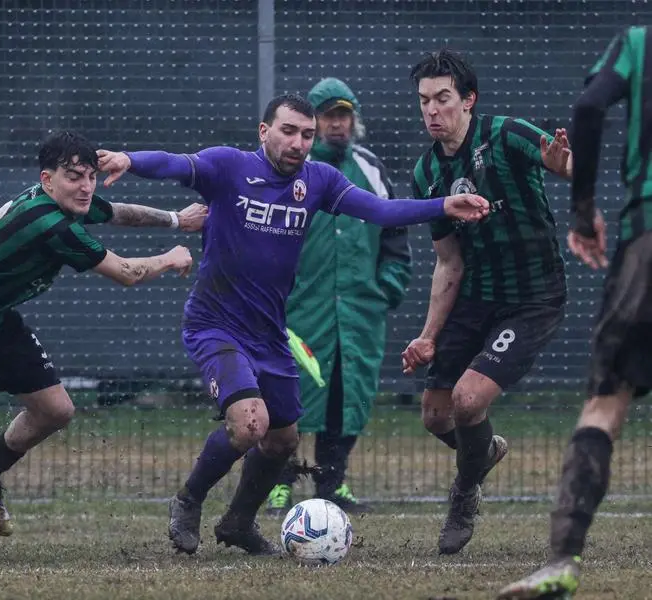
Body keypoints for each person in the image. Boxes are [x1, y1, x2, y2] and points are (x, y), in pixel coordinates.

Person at [97, 92, 490, 556]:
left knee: (283, 439)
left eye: (307, 134)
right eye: (288, 131)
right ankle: (188, 501)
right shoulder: (229, 167)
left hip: (269, 332)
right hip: (215, 324)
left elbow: (380, 211)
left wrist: (443, 205)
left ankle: (239, 523)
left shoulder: (319, 180)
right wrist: (129, 159)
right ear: (265, 132)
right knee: (250, 424)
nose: (299, 142)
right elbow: (176, 164)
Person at [0, 130, 205, 560]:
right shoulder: (49, 224)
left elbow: (120, 212)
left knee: (56, 409)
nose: (85, 187)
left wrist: (177, 219)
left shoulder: (64, 204)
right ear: (47, 179)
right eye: (73, 177)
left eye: (90, 177)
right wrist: (170, 256)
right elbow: (124, 272)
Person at [401, 49, 574, 556]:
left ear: (468, 100)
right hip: (476, 297)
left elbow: (558, 160)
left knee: (468, 400)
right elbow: (449, 263)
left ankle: (463, 493)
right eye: (424, 102)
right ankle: (484, 453)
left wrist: (564, 165)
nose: (433, 111)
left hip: (533, 298)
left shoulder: (505, 133)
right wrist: (428, 336)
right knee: (436, 416)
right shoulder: (426, 172)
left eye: (443, 99)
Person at [498, 26, 650, 599]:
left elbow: (589, 106)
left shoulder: (639, 42)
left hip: (646, 242)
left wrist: (583, 212)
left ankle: (562, 560)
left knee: (606, 406)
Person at [265, 78, 411, 517]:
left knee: (347, 399)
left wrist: (385, 289)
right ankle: (277, 483)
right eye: (328, 115)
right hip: (298, 310)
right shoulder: (289, 170)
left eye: (344, 115)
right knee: (286, 398)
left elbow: (395, 239)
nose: (337, 124)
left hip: (359, 313)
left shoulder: (370, 169)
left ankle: (332, 483)